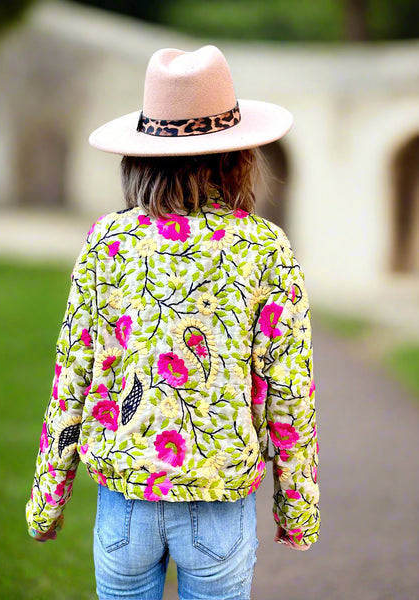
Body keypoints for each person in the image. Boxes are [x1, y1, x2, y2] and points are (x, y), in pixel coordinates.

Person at [26, 45, 320, 600]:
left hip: (125, 508)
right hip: (220, 506)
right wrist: (297, 507)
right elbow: (289, 391)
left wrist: (48, 497)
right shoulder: (265, 248)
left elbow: (73, 376)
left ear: (139, 156)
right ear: (238, 158)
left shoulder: (106, 243)